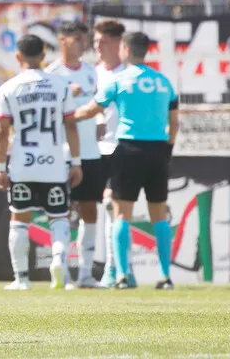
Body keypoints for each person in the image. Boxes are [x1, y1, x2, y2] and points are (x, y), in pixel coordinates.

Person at [75, 32, 179, 290]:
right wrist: (167, 148)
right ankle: (165, 277)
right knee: (159, 216)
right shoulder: (164, 82)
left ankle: (122, 275)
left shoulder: (120, 79)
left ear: (125, 50)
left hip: (129, 150)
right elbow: (174, 123)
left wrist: (67, 115)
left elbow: (91, 110)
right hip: (157, 151)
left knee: (122, 214)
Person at [0, 34, 82, 291]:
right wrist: (75, 162)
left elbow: (1, 133)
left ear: (18, 57)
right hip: (54, 163)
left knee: (19, 219)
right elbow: (71, 126)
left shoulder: (8, 88)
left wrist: (0, 167)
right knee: (58, 218)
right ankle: (58, 261)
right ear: (44, 56)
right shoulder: (61, 86)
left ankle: (21, 279)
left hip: (23, 163)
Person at [45, 21, 103, 289]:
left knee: (90, 210)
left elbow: (99, 105)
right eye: (77, 39)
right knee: (63, 212)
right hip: (62, 154)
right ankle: (63, 271)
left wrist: (100, 121)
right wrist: (67, 95)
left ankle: (86, 273)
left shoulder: (92, 72)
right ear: (62, 40)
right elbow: (46, 116)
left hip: (90, 152)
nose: (83, 44)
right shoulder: (52, 74)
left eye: (84, 39)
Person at [91, 19, 136, 288]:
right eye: (96, 41)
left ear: (119, 44)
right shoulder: (92, 74)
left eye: (104, 41)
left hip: (122, 148)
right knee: (98, 209)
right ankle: (119, 267)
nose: (98, 46)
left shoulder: (129, 75)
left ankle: (114, 268)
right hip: (95, 150)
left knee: (114, 207)